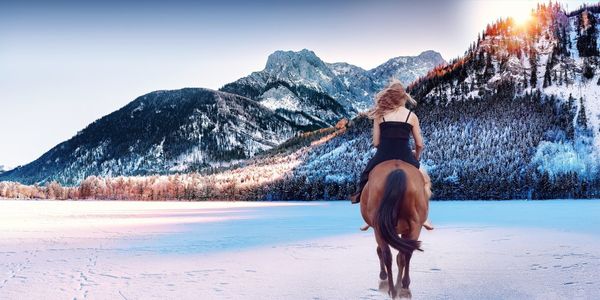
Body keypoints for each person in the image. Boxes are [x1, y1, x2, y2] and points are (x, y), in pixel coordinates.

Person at [350, 79, 433, 230]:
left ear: (388, 97)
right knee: (424, 181)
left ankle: (367, 214)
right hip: (405, 155)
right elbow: (419, 144)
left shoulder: (380, 115)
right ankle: (423, 217)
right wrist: (416, 156)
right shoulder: (411, 116)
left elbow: (376, 142)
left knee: (366, 177)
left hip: (383, 154)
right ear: (403, 98)